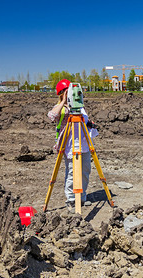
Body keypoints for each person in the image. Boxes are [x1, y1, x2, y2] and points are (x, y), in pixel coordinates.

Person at [47, 79, 98, 213]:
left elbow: (85, 121)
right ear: (62, 93)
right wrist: (64, 101)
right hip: (69, 145)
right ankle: (71, 199)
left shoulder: (80, 107)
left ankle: (82, 196)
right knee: (71, 173)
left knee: (85, 171)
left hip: (84, 144)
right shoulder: (62, 108)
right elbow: (51, 116)